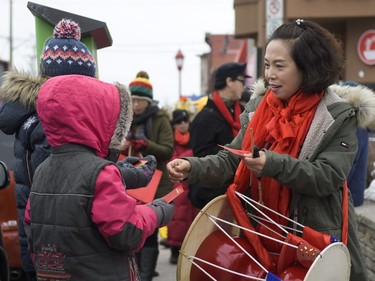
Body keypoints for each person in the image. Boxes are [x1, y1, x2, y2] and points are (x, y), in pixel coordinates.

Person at [167, 20, 371, 281]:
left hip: (313, 243)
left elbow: (328, 176)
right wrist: (192, 168)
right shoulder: (259, 110)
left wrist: (272, 164)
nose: (269, 74)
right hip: (259, 237)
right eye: (266, 65)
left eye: (279, 66)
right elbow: (231, 161)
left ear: (307, 68)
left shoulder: (337, 115)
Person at [0, 18, 156, 281]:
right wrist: (122, 175)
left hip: (41, 238)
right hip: (63, 247)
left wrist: (120, 172)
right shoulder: (51, 124)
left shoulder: (33, 117)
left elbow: (75, 178)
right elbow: (76, 184)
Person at [23, 74, 175, 280]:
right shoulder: (101, 172)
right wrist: (156, 212)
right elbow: (126, 232)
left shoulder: (42, 169)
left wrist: (121, 172)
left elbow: (33, 229)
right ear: (96, 119)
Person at [121, 71, 174, 280]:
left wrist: (147, 146)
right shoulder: (125, 117)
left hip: (155, 184)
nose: (135, 105)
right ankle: (134, 271)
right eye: (132, 99)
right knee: (132, 226)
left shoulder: (160, 119)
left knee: (150, 229)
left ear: (148, 101)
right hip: (130, 182)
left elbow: (168, 150)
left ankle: (146, 274)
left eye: (139, 100)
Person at [188, 62, 251, 209]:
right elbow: (201, 155)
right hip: (211, 196)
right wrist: (234, 153)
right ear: (229, 81)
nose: (244, 86)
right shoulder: (205, 118)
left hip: (237, 191)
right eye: (242, 81)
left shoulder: (241, 111)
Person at [166, 109, 199, 264]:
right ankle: (174, 249)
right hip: (176, 183)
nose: (183, 125)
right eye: (179, 122)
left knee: (190, 216)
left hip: (191, 182)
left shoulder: (194, 137)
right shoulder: (170, 138)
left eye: (185, 121)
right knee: (176, 217)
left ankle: (188, 249)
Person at [340, 81, 372, 207]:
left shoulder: (353, 126)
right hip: (355, 194)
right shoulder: (362, 125)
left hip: (348, 198)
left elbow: (349, 165)